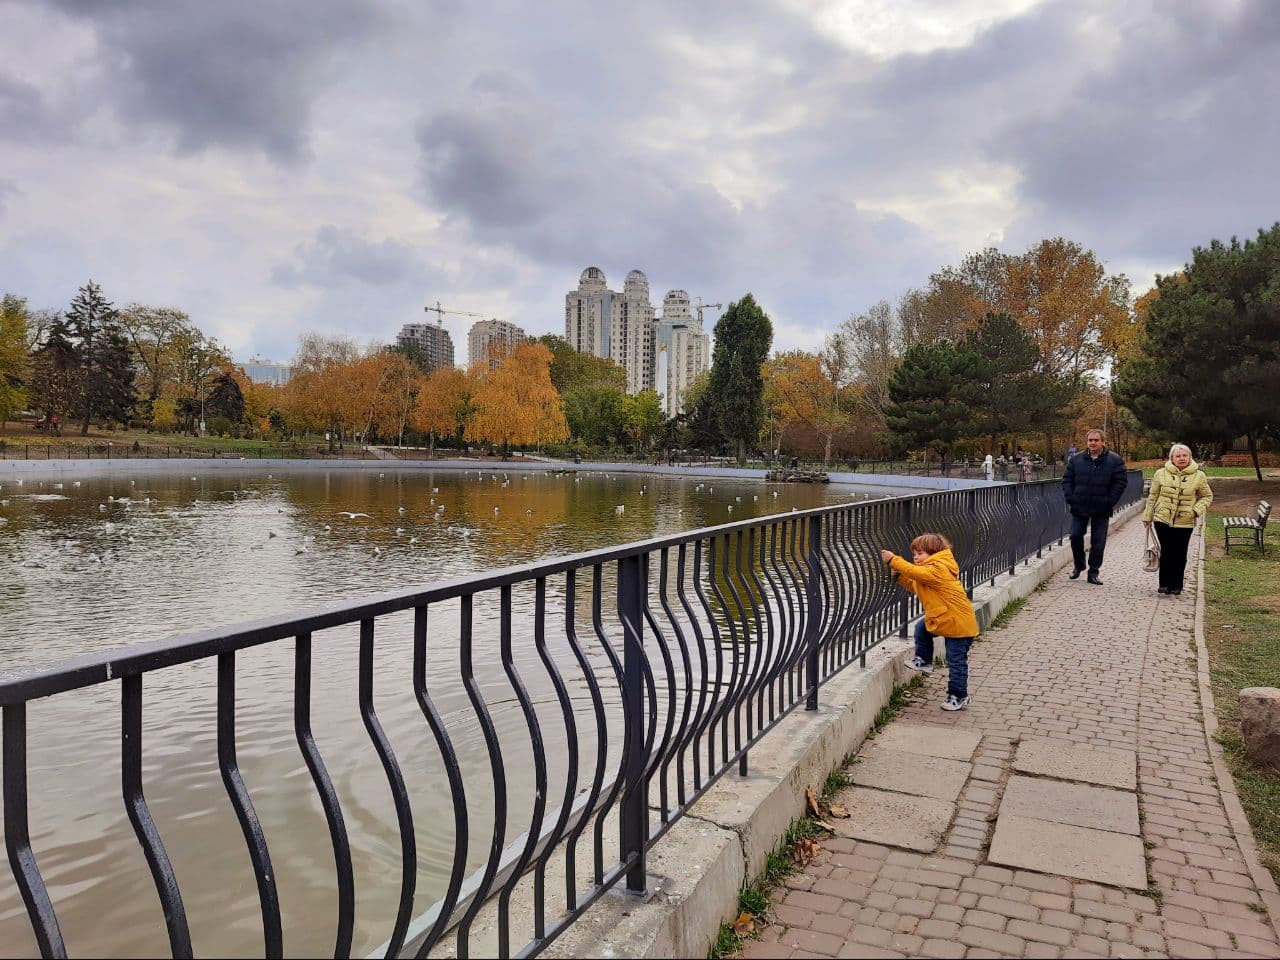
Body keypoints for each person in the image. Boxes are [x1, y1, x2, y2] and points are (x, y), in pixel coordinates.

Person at [881, 533, 980, 711]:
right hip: (944, 618)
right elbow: (915, 584)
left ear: (934, 552)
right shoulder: (929, 572)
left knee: (956, 661)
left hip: (959, 623)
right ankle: (924, 659)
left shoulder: (938, 568)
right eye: (914, 554)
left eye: (920, 554)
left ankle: (958, 695)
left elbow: (914, 572)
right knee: (921, 627)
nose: (916, 558)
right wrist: (899, 577)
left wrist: (893, 560)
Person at [1143, 443, 1213, 596]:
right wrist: (1147, 516)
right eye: (1178, 456)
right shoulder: (1160, 473)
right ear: (1172, 459)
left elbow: (1207, 496)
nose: (1182, 458)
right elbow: (1153, 495)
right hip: (1162, 518)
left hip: (1185, 520)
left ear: (1190, 457)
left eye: (1184, 455)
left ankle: (1177, 585)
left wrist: (1195, 511)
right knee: (1167, 550)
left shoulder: (1199, 476)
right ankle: (1164, 584)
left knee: (1180, 552)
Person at [1061, 429, 1128, 585]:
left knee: (1098, 541)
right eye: (1090, 440)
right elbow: (1067, 480)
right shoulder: (1076, 460)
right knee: (1075, 536)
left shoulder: (1114, 460)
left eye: (1096, 440)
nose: (1093, 443)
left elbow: (1120, 482)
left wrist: (1110, 500)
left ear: (1103, 442)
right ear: (1087, 442)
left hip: (1101, 507)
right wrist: (1071, 498)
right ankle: (1079, 565)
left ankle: (1093, 572)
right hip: (1079, 505)